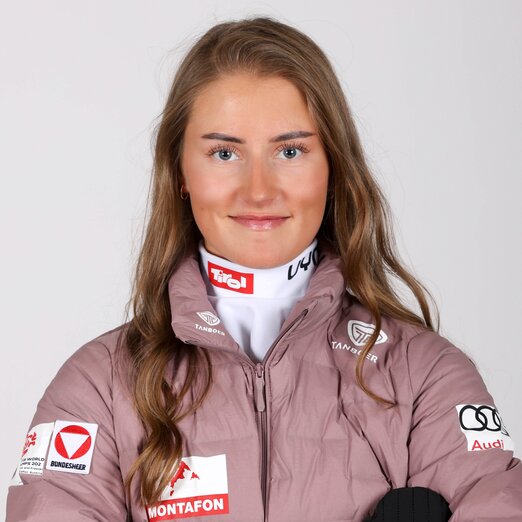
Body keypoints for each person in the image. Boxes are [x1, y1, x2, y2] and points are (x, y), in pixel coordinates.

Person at [6, 15, 522, 522]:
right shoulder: (98, 387)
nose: (258, 191)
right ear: (180, 173)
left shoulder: (425, 375)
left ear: (334, 167)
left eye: (290, 150)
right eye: (224, 153)